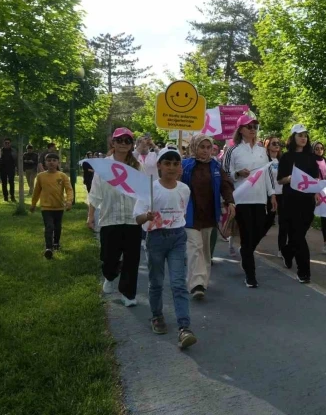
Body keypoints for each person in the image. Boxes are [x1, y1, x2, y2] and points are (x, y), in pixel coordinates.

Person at [134, 148, 197, 349]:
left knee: (179, 282)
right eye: (167, 163)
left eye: (175, 163)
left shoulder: (184, 189)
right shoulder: (150, 190)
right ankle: (157, 315)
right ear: (159, 166)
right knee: (157, 282)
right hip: (156, 239)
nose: (171, 167)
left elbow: (181, 211)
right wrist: (147, 216)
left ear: (180, 167)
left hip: (177, 237)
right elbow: (137, 218)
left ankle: (184, 328)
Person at [87, 128, 141, 307]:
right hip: (110, 218)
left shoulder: (136, 165)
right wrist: (90, 216)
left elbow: (143, 191)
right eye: (120, 140)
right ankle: (109, 276)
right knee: (109, 258)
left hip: (133, 219)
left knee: (132, 259)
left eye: (127, 141)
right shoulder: (104, 166)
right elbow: (95, 193)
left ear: (132, 144)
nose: (123, 144)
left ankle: (128, 294)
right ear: (113, 143)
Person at [222, 114, 278, 288]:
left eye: (255, 127)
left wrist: (272, 194)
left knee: (259, 231)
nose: (253, 130)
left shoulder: (262, 149)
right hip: (242, 199)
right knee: (247, 237)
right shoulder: (234, 150)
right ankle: (250, 276)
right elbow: (225, 173)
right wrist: (238, 174)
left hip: (260, 199)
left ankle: (245, 252)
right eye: (249, 127)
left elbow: (267, 173)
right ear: (241, 130)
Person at [181, 134, 235, 300]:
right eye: (201, 147)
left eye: (208, 147)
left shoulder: (215, 166)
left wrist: (230, 201)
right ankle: (196, 283)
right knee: (194, 248)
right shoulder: (185, 165)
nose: (205, 151)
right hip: (190, 214)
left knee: (205, 251)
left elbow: (225, 185)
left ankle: (202, 283)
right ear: (194, 147)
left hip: (209, 214)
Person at [277, 125, 320, 283]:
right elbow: (280, 180)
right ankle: (304, 272)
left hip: (307, 201)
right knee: (298, 236)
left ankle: (287, 252)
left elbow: (315, 178)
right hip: (291, 200)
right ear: (293, 138)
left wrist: (316, 191)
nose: (303, 138)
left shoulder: (311, 157)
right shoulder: (286, 157)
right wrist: (290, 178)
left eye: (305, 136)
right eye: (300, 135)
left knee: (298, 235)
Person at [30, 153, 73, 259]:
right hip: (46, 207)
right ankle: (48, 248)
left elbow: (69, 190)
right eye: (49, 160)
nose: (51, 162)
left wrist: (69, 201)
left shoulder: (62, 176)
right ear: (45, 163)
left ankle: (56, 243)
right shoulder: (40, 176)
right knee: (49, 227)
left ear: (58, 162)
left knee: (57, 227)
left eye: (54, 160)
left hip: (59, 207)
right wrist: (33, 204)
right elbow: (36, 192)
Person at [262, 136, 287, 257]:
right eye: (274, 143)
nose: (277, 145)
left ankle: (282, 250)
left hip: (282, 194)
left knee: (283, 223)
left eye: (278, 143)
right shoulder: (264, 161)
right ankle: (251, 244)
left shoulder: (282, 160)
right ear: (267, 146)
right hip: (269, 195)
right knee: (268, 221)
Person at [0, 138, 17, 202]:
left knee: (11, 182)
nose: (7, 144)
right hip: (2, 169)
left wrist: (16, 167)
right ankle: (5, 197)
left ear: (10, 143)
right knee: (4, 183)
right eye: (5, 143)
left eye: (8, 143)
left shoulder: (13, 151)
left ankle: (12, 196)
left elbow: (16, 159)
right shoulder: (0, 151)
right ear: (3, 143)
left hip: (11, 168)